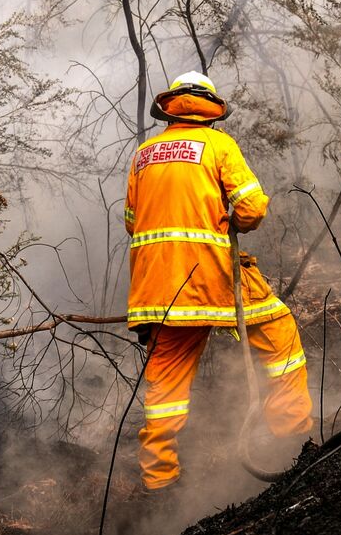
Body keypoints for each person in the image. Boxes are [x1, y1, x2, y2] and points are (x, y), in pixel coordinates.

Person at [124, 71, 313, 491]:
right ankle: (293, 439)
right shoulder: (219, 145)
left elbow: (131, 222)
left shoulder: (143, 154)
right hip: (215, 278)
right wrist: (231, 220)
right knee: (280, 335)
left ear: (170, 105)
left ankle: (159, 481)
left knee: (166, 385)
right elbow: (252, 207)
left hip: (158, 291)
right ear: (210, 109)